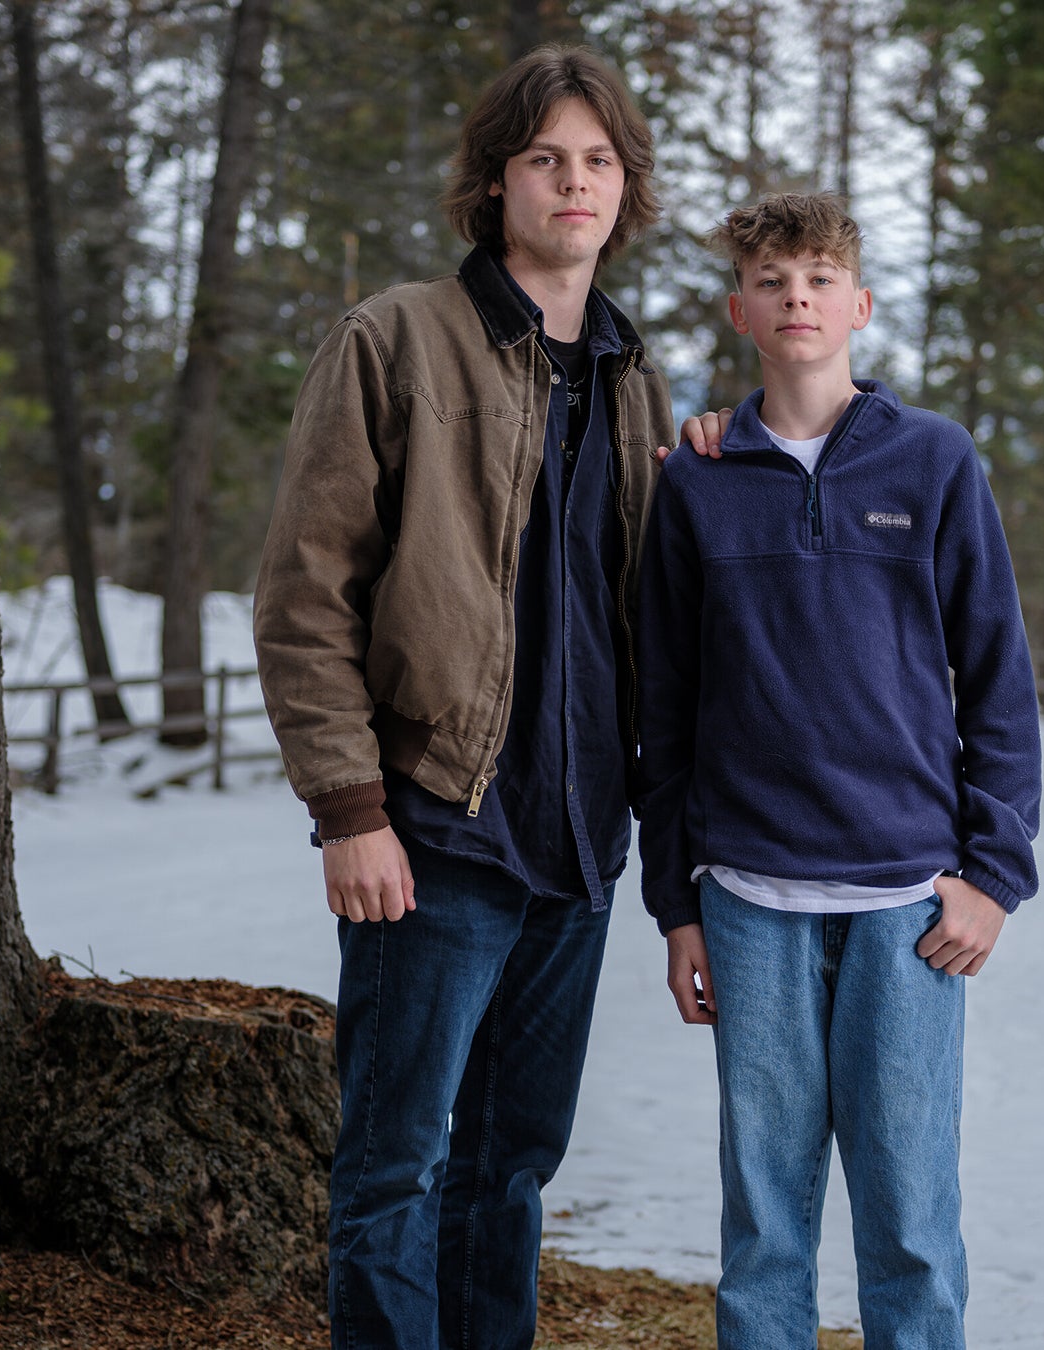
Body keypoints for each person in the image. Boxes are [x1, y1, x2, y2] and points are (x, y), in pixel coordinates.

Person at [252, 45, 705, 1350]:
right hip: (433, 835)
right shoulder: (394, 337)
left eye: (599, 162)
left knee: (508, 1172)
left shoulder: (631, 375)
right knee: (395, 1167)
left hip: (575, 850)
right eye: (546, 159)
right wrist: (349, 806)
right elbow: (304, 587)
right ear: (494, 181)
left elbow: (656, 614)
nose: (574, 183)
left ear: (626, 189)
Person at [634, 192, 1044, 1350]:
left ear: (858, 305)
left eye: (818, 276)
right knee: (764, 1229)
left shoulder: (935, 461)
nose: (796, 296)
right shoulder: (698, 481)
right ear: (741, 312)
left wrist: (991, 875)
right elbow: (663, 710)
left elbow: (1000, 683)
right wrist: (679, 906)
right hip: (750, 898)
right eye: (772, 280)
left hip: (909, 904)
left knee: (911, 1221)